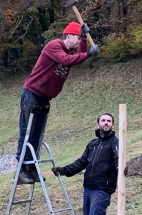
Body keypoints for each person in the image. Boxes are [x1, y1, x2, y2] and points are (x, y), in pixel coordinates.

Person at [16, 21, 99, 183]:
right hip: (32, 92)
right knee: (26, 132)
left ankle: (31, 169)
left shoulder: (68, 50)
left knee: (37, 135)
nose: (77, 41)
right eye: (77, 37)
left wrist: (83, 39)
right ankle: (20, 170)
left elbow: (76, 58)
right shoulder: (54, 45)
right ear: (69, 36)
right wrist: (88, 53)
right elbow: (67, 60)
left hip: (44, 97)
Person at [53, 112, 119, 215]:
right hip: (88, 188)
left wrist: (121, 168)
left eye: (109, 121)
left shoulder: (115, 143)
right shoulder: (92, 145)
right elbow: (81, 162)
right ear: (98, 124)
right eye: (103, 120)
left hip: (102, 189)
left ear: (113, 125)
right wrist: (64, 170)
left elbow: (118, 159)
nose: (106, 123)